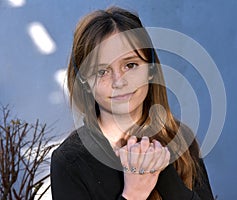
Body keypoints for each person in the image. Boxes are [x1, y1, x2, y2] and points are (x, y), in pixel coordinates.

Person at [50, 6, 214, 200]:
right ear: (85, 82)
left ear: (151, 69)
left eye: (130, 65)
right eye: (102, 71)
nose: (119, 82)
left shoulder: (181, 139)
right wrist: (134, 194)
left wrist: (164, 174)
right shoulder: (70, 161)